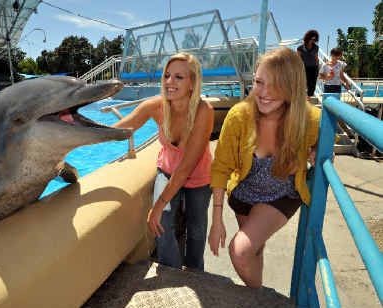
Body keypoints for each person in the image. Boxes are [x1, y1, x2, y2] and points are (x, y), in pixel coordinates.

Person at [208, 47, 321, 288]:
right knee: (253, 252)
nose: (264, 93)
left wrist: (318, 154)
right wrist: (216, 220)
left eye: (276, 85)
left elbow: (325, 149)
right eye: (259, 82)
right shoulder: (239, 116)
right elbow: (221, 167)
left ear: (291, 86)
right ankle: (256, 293)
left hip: (281, 196)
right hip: (244, 195)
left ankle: (259, 298)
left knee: (240, 251)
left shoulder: (310, 119)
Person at [113, 52, 214, 270]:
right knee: (164, 221)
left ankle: (196, 273)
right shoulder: (155, 106)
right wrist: (77, 131)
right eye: (167, 75)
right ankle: (172, 272)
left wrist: (157, 205)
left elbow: (187, 167)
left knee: (196, 230)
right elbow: (119, 130)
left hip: (198, 176)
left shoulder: (203, 111)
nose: (169, 82)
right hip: (167, 170)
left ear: (192, 83)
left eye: (179, 77)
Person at [297, 30, 320, 98]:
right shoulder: (300, 48)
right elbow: (298, 59)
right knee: (304, 83)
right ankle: (303, 98)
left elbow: (316, 58)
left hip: (314, 67)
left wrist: (318, 67)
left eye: (315, 39)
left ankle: (309, 98)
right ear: (308, 38)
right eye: (312, 39)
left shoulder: (316, 47)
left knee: (312, 84)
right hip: (304, 68)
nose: (313, 41)